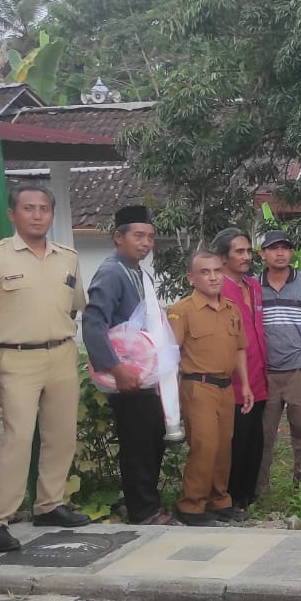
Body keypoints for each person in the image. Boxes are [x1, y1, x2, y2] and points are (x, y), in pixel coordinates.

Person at [0, 183, 90, 552]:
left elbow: (73, 306)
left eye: (44, 209)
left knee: (62, 435)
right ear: (12, 214)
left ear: (52, 215)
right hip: (17, 357)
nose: (37, 215)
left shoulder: (66, 256)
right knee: (17, 439)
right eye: (29, 208)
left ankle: (50, 504)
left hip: (61, 352)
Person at [80, 205, 176, 526]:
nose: (146, 243)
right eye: (138, 236)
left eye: (150, 236)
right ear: (118, 237)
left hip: (147, 375)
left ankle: (148, 504)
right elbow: (94, 323)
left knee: (151, 438)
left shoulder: (139, 272)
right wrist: (116, 369)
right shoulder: (111, 272)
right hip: (127, 375)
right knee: (137, 443)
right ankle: (142, 511)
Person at [169, 250, 256, 525]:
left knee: (222, 446)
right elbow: (171, 354)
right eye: (205, 272)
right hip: (198, 386)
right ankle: (191, 505)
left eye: (217, 270)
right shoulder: (181, 310)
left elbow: (240, 349)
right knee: (204, 445)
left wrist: (245, 387)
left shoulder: (231, 308)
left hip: (226, 386)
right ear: (191, 278)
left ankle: (219, 500)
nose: (213, 277)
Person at [256, 230, 301, 492]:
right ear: (262, 254)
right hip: (266, 373)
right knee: (263, 434)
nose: (279, 253)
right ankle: (257, 489)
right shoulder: (253, 287)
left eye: (285, 248)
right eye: (273, 248)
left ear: (291, 253)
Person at [212, 228, 267, 515]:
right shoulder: (217, 288)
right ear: (223, 257)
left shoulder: (253, 286)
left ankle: (247, 495)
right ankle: (229, 498)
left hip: (259, 375)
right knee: (235, 440)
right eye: (239, 252)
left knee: (255, 440)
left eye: (248, 251)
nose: (246, 257)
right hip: (232, 379)